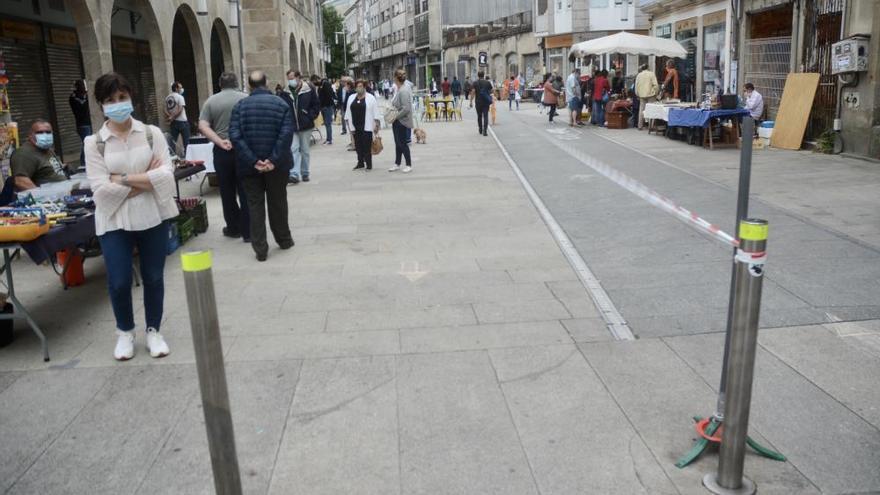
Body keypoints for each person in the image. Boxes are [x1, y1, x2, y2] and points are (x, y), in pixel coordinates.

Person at [84, 72, 175, 360]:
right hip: (114, 221)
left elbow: (167, 176)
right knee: (120, 279)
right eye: (110, 100)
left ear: (131, 98)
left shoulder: (151, 133)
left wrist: (121, 178)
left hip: (153, 216)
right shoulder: (94, 142)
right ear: (101, 105)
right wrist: (145, 179)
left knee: (153, 276)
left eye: (122, 98)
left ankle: (153, 330)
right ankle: (125, 331)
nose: (117, 104)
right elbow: (100, 191)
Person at [229, 70, 295, 262]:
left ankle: (260, 249)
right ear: (266, 82)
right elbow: (286, 135)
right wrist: (273, 160)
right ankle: (284, 239)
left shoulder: (240, 107)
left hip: (250, 168)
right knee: (278, 202)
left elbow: (235, 136)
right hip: (278, 166)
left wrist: (253, 160)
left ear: (249, 85)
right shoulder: (281, 104)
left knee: (254, 206)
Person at [198, 72, 250, 242]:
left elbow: (203, 126)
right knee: (246, 189)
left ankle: (233, 228)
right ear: (236, 83)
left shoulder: (211, 101)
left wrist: (219, 141)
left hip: (222, 151)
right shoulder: (246, 98)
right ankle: (248, 229)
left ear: (220, 84)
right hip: (244, 149)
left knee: (227, 191)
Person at [278, 70, 319, 184]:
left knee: (305, 150)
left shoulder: (308, 89)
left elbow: (316, 105)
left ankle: (305, 172)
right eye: (288, 78)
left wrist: (309, 115)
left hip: (305, 124)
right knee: (293, 149)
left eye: (291, 78)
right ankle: (294, 174)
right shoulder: (285, 92)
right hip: (292, 125)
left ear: (298, 77)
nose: (290, 81)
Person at [10, 120, 70, 191]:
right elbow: (21, 181)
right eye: (40, 132)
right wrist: (42, 197)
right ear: (30, 135)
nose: (45, 135)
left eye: (48, 132)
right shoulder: (23, 153)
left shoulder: (47, 149)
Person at [345, 80, 380, 171]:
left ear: (364, 87)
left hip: (367, 126)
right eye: (357, 86)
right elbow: (348, 112)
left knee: (366, 146)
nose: (359, 88)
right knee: (358, 146)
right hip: (355, 126)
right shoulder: (351, 98)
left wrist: (376, 125)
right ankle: (360, 163)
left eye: (361, 86)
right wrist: (349, 126)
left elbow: (376, 112)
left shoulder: (370, 97)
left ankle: (369, 164)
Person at [388, 69, 413, 174]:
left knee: (402, 143)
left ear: (395, 78)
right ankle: (397, 163)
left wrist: (396, 116)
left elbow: (406, 108)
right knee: (398, 143)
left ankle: (408, 164)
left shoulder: (403, 90)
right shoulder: (399, 89)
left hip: (402, 121)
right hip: (397, 120)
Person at [69, 80, 91, 169]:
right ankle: (83, 163)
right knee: (86, 143)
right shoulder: (74, 98)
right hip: (83, 124)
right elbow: (82, 107)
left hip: (89, 122)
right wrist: (86, 98)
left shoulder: (84, 97)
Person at [164, 81, 189, 154]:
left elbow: (165, 109)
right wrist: (173, 116)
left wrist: (170, 116)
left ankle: (173, 158)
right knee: (186, 142)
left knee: (172, 142)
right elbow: (180, 109)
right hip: (182, 122)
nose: (181, 89)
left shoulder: (168, 97)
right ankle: (188, 158)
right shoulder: (180, 97)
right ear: (176, 88)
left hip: (173, 123)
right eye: (180, 87)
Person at [635, 64, 660, 130]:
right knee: (651, 109)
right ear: (648, 68)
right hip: (651, 94)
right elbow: (656, 85)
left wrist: (637, 94)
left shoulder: (639, 75)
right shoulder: (651, 74)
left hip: (642, 94)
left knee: (641, 110)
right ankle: (650, 126)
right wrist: (656, 93)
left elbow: (636, 86)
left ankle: (640, 125)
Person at [473, 71, 493, 136]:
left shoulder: (475, 83)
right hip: (485, 102)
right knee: (485, 116)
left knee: (479, 116)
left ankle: (480, 129)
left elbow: (473, 92)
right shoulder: (487, 82)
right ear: (483, 75)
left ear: (478, 75)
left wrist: (470, 101)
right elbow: (491, 91)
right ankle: (485, 131)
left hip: (478, 102)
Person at [318, 76, 336, 145]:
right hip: (325, 106)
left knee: (328, 123)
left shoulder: (325, 84)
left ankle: (329, 139)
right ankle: (328, 138)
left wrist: (325, 105)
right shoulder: (322, 85)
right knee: (326, 123)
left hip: (327, 106)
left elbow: (329, 95)